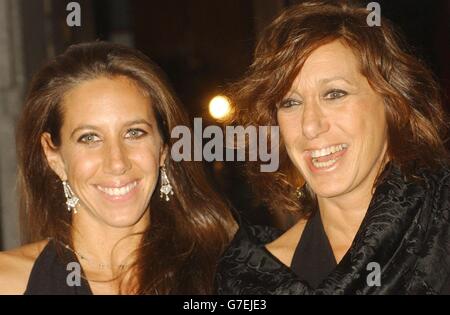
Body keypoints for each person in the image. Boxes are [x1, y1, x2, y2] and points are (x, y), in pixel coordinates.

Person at [216, 1, 450, 294]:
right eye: (290, 102)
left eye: (334, 94)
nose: (310, 125)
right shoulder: (255, 281)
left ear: (393, 103)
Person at [0, 41, 236, 294]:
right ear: (53, 155)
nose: (117, 163)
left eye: (134, 133)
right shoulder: (8, 281)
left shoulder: (228, 273)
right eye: (89, 138)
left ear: (163, 148)